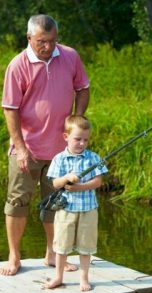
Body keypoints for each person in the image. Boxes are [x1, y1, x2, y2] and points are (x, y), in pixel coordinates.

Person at [0, 14, 90, 276]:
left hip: (60, 152)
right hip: (27, 150)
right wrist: (21, 148)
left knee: (56, 202)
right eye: (41, 41)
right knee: (17, 202)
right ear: (29, 38)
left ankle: (52, 254)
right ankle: (15, 257)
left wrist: (78, 118)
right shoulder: (18, 66)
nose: (48, 47)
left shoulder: (70, 56)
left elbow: (83, 87)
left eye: (52, 41)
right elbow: (10, 110)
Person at [44, 115, 108, 291]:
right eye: (77, 139)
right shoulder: (59, 159)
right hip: (66, 210)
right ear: (66, 137)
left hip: (88, 210)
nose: (82, 143)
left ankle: (84, 278)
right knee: (62, 245)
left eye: (85, 140)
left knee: (86, 247)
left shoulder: (93, 158)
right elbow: (55, 183)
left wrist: (80, 187)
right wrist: (66, 178)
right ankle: (58, 276)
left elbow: (98, 182)